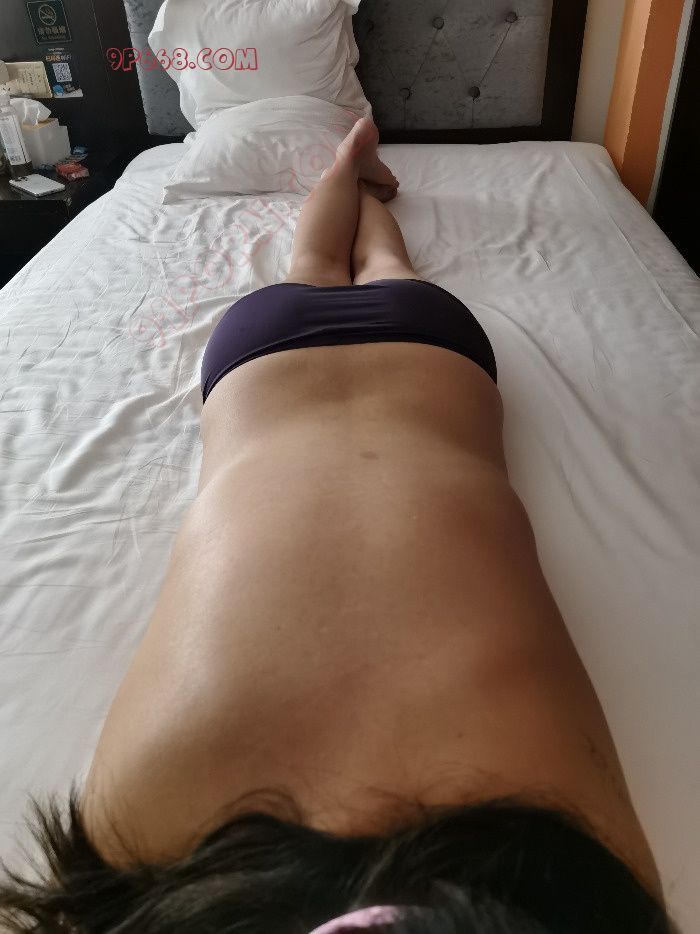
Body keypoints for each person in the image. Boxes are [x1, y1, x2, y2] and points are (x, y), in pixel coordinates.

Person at [0, 117, 679, 933]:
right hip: (292, 364)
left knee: (327, 265)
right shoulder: (131, 877)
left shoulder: (584, 885)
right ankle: (355, 171)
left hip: (399, 360)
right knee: (354, 267)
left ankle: (350, 167)